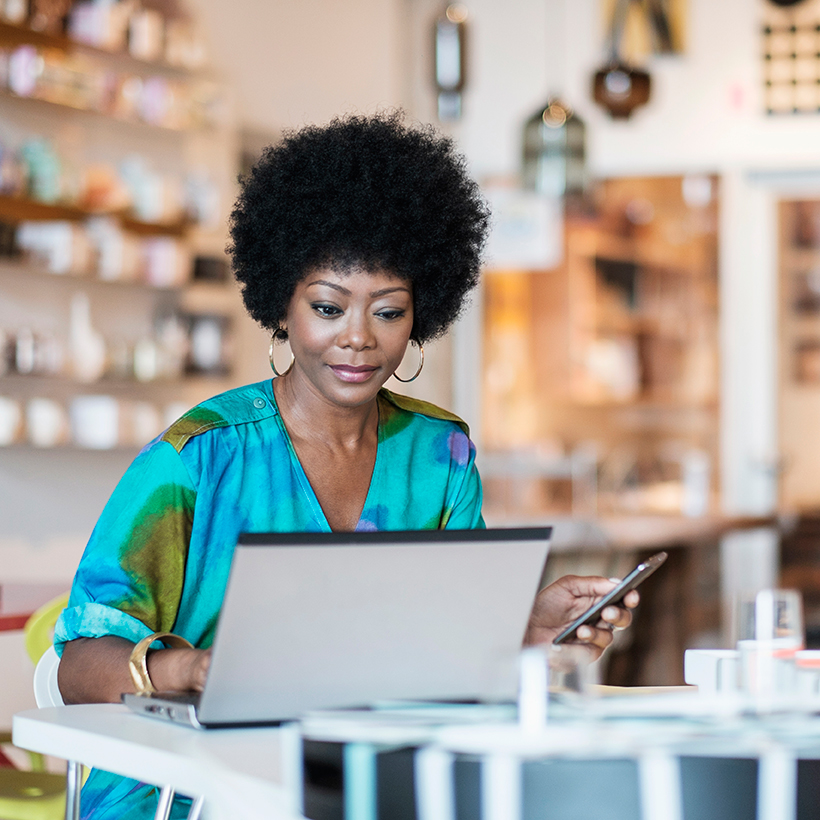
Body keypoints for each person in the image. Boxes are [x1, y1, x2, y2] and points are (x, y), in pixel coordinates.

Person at [54, 113, 637, 820]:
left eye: (388, 313)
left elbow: (432, 648)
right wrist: (198, 670)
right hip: (189, 791)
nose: (358, 338)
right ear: (283, 306)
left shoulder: (439, 453)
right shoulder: (200, 456)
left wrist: (524, 629)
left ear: (421, 313)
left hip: (360, 782)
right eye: (328, 307)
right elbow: (78, 663)